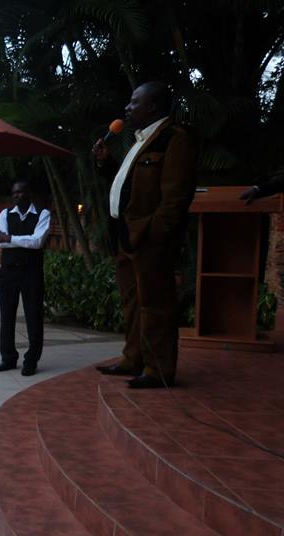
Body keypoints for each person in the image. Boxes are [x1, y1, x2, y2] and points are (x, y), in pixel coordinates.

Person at [92, 81, 195, 389]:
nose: (127, 107)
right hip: (126, 236)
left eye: (134, 102)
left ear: (152, 107)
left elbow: (175, 199)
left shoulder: (173, 141)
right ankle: (133, 358)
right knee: (133, 303)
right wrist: (105, 162)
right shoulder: (140, 140)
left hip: (148, 239)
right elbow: (130, 185)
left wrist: (154, 235)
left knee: (155, 304)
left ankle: (158, 369)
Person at [0, 181, 50, 376]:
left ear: (29, 193)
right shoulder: (5, 214)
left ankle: (31, 360)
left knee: (33, 316)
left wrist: (9, 238)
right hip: (8, 272)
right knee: (6, 316)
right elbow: (0, 243)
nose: (18, 195)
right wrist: (13, 240)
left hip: (31, 273)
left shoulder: (43, 214)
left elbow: (37, 242)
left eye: (22, 191)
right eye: (15, 192)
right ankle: (8, 358)